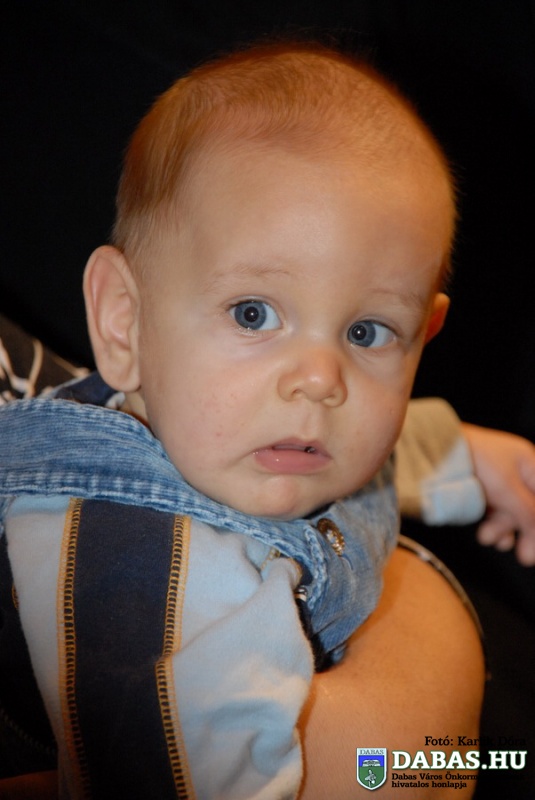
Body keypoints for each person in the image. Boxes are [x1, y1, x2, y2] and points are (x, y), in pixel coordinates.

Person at [0, 42, 533, 799]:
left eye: (367, 332)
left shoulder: (234, 431)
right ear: (124, 322)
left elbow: (358, 463)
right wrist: (447, 762)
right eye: (254, 314)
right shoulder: (141, 577)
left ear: (424, 335)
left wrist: (464, 456)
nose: (320, 380)